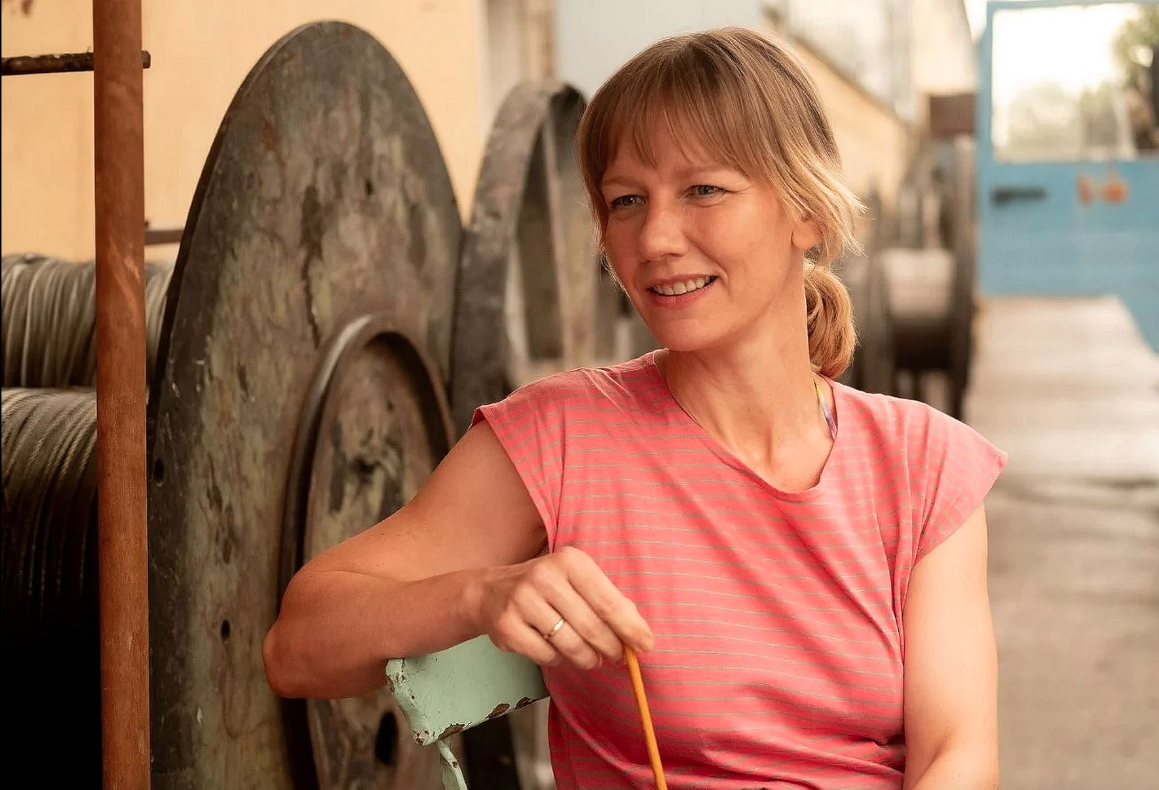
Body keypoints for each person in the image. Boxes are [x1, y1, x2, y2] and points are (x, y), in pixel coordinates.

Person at [264, 27, 1005, 790]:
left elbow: (956, 754)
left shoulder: (922, 462)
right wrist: (480, 596)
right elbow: (296, 647)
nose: (653, 237)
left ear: (805, 211)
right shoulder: (562, 437)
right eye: (625, 201)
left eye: (703, 190)